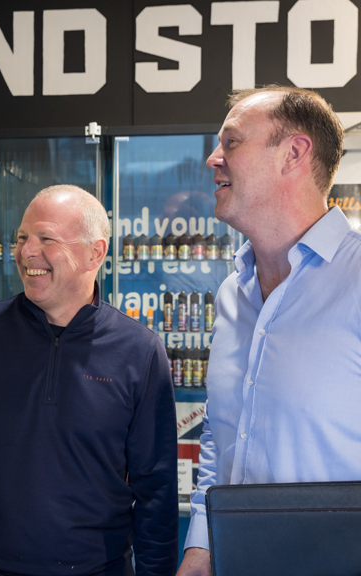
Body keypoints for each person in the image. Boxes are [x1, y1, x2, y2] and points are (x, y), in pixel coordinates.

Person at [0, 185, 178, 576]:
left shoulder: (140, 351)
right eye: (22, 238)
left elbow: (156, 493)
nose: (25, 252)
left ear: (96, 252)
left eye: (46, 239)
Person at [177, 86, 358, 576]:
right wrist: (201, 548)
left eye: (231, 142)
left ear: (294, 153)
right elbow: (221, 437)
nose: (213, 159)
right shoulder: (233, 295)